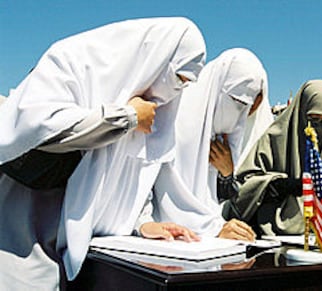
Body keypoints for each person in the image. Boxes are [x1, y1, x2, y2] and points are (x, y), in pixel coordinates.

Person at [0, 17, 206, 290]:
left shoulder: (147, 101)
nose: (175, 91)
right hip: (24, 239)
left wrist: (143, 222)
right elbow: (35, 127)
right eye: (178, 78)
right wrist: (125, 118)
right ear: (158, 57)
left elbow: (136, 167)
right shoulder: (73, 60)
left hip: (79, 251)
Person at [152, 48, 270, 240]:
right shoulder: (178, 120)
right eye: (235, 101)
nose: (239, 115)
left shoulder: (220, 133)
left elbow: (216, 199)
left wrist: (226, 174)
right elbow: (172, 196)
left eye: (246, 107)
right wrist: (214, 228)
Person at [222, 80, 322, 237]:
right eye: (313, 119)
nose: (319, 129)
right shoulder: (274, 138)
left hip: (321, 236)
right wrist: (278, 185)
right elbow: (243, 187)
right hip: (268, 234)